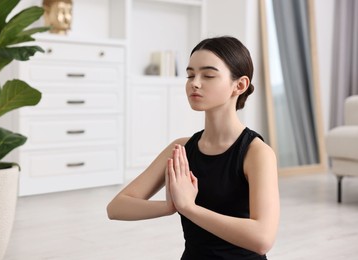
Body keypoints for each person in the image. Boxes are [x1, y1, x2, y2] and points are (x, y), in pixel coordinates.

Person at [107, 36, 280, 259]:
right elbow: (116, 208)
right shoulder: (181, 148)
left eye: (208, 75)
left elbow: (262, 239)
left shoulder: (257, 153)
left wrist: (189, 208)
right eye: (190, 75)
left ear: (240, 85)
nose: (194, 83)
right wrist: (171, 206)